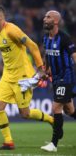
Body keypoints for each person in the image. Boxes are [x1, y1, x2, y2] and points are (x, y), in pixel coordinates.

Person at [0, 5, 54, 150]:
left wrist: (40, 68)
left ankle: (52, 120)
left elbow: (32, 45)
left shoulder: (12, 30)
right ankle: (8, 141)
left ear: (1, 17)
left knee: (24, 114)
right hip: (7, 76)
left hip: (22, 77)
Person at [40, 10, 76, 152]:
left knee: (56, 108)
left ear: (56, 21)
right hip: (55, 79)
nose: (44, 19)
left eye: (48, 17)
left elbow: (74, 56)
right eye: (45, 16)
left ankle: (54, 143)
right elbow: (47, 56)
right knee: (69, 110)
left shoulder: (64, 38)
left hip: (66, 77)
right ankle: (57, 134)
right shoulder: (45, 38)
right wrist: (46, 70)